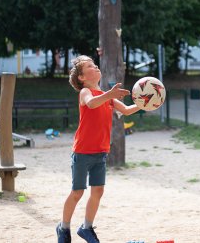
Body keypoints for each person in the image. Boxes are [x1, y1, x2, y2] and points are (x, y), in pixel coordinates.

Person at [56, 55, 141, 243]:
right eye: (90, 66)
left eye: (95, 64)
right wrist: (109, 95)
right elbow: (92, 103)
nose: (95, 67)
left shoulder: (106, 96)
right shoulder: (85, 92)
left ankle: (86, 228)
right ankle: (63, 228)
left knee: (98, 191)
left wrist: (145, 103)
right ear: (82, 77)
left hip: (100, 153)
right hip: (82, 152)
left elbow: (126, 110)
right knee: (77, 192)